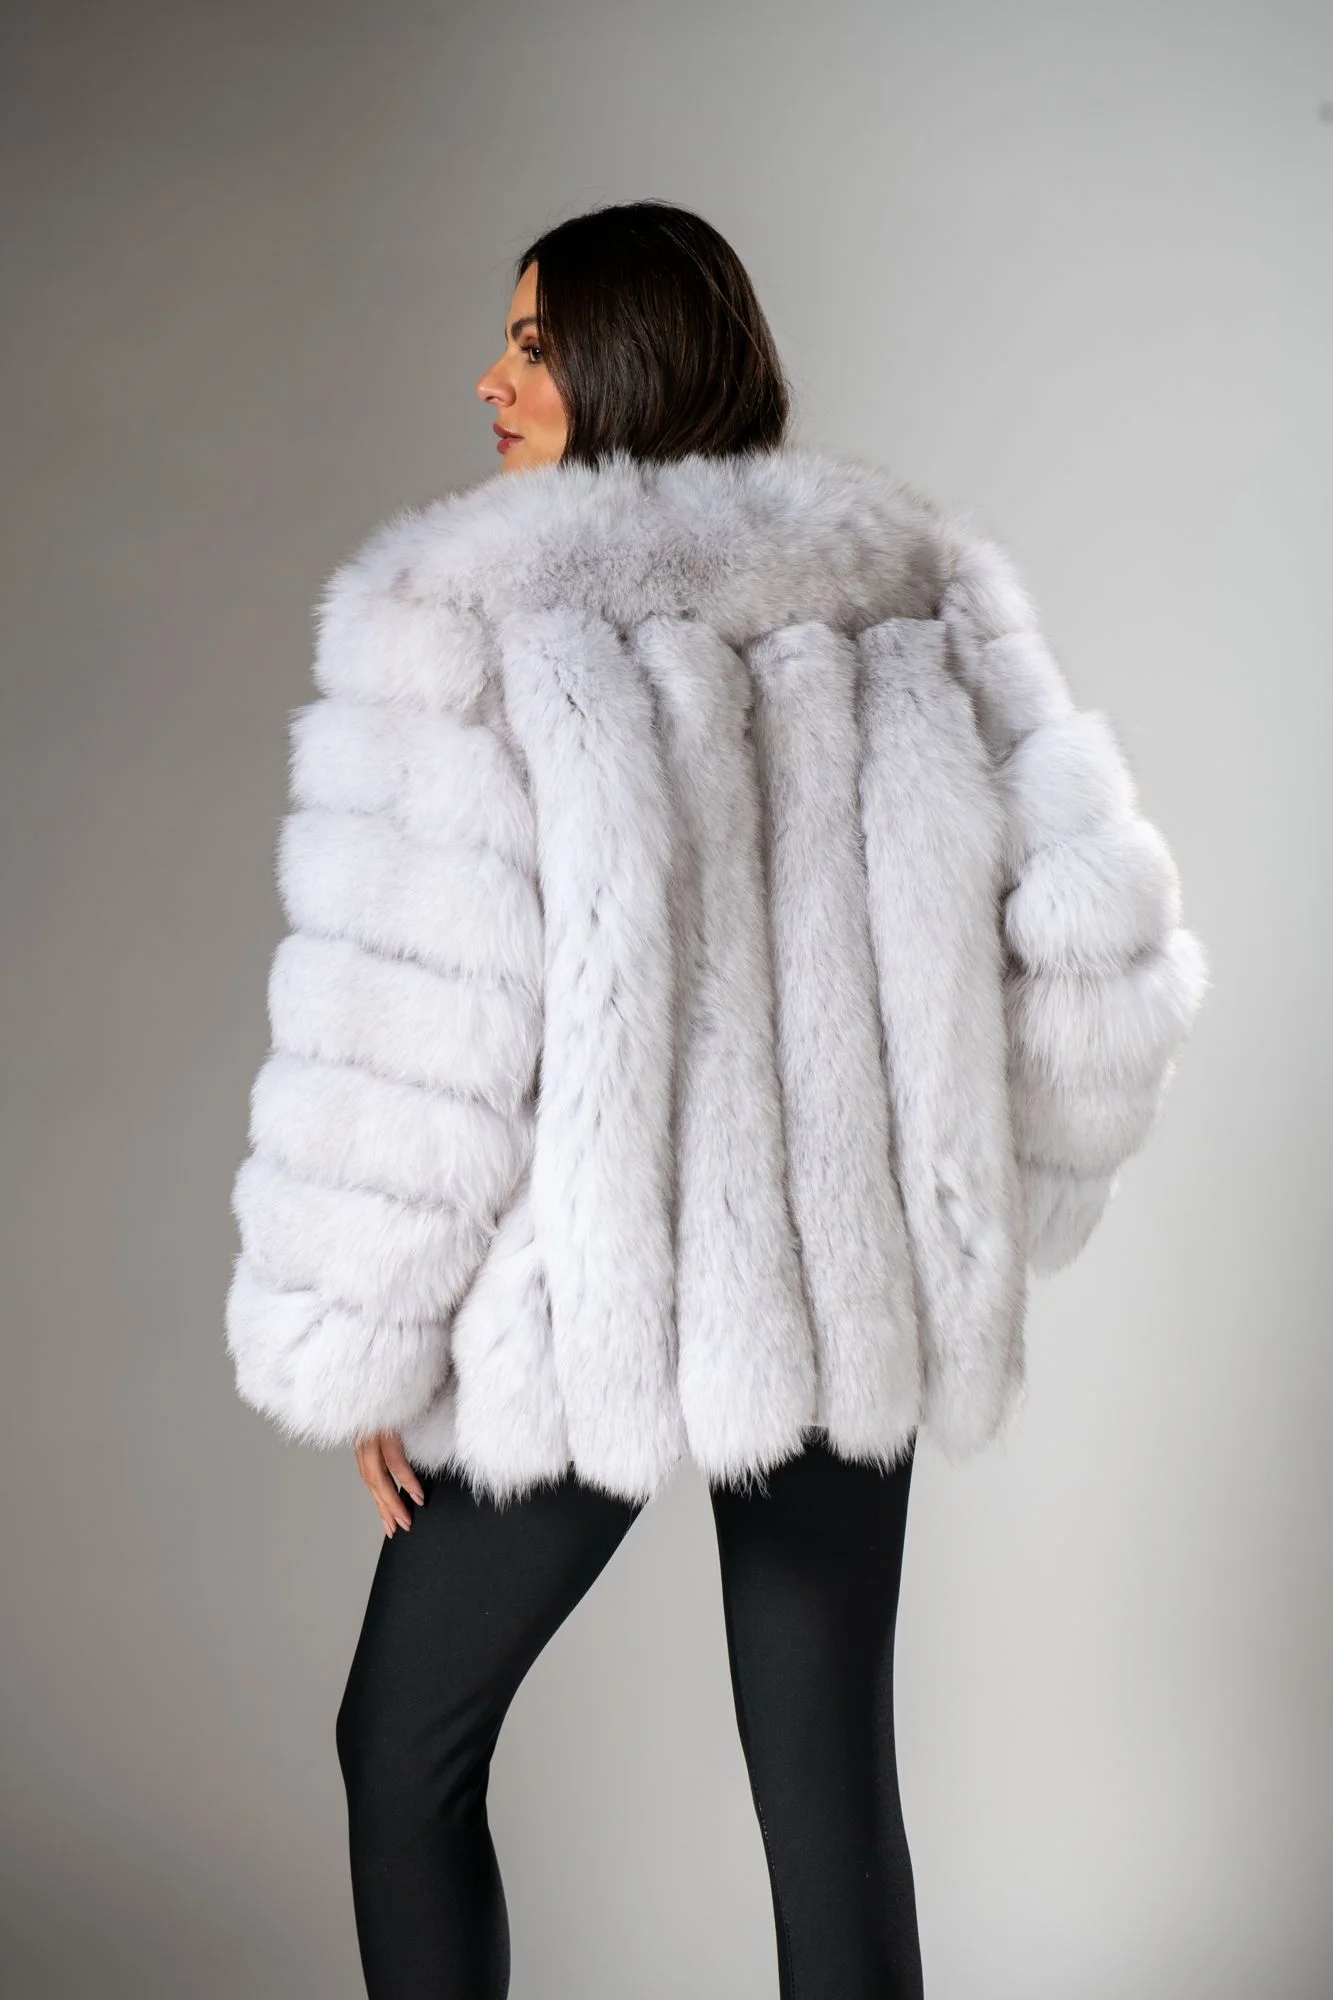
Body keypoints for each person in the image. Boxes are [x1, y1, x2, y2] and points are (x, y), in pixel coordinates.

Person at [224, 199, 1209, 1999]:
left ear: (629, 361)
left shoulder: (465, 614)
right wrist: (974, 1205)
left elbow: (416, 1017)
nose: (490, 379)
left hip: (584, 1296)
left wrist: (360, 1337)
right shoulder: (915, 587)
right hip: (841, 1287)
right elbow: (1098, 945)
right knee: (825, 1779)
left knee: (403, 1744)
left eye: (533, 344)